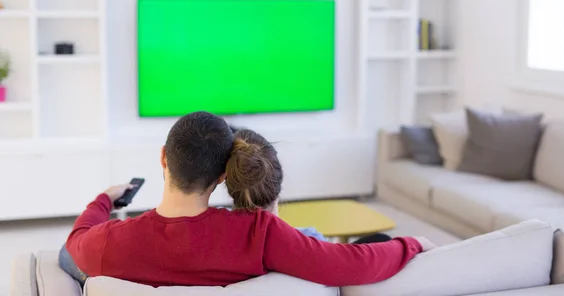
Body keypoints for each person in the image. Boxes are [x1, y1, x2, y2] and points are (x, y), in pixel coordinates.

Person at [60, 111, 433, 288]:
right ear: (223, 175)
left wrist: (103, 201)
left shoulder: (109, 244)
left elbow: (74, 243)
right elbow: (353, 264)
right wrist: (412, 243)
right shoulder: (259, 233)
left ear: (163, 158)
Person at [225, 128, 396, 244]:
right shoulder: (310, 241)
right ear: (279, 176)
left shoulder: (214, 243)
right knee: (382, 240)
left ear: (225, 180)